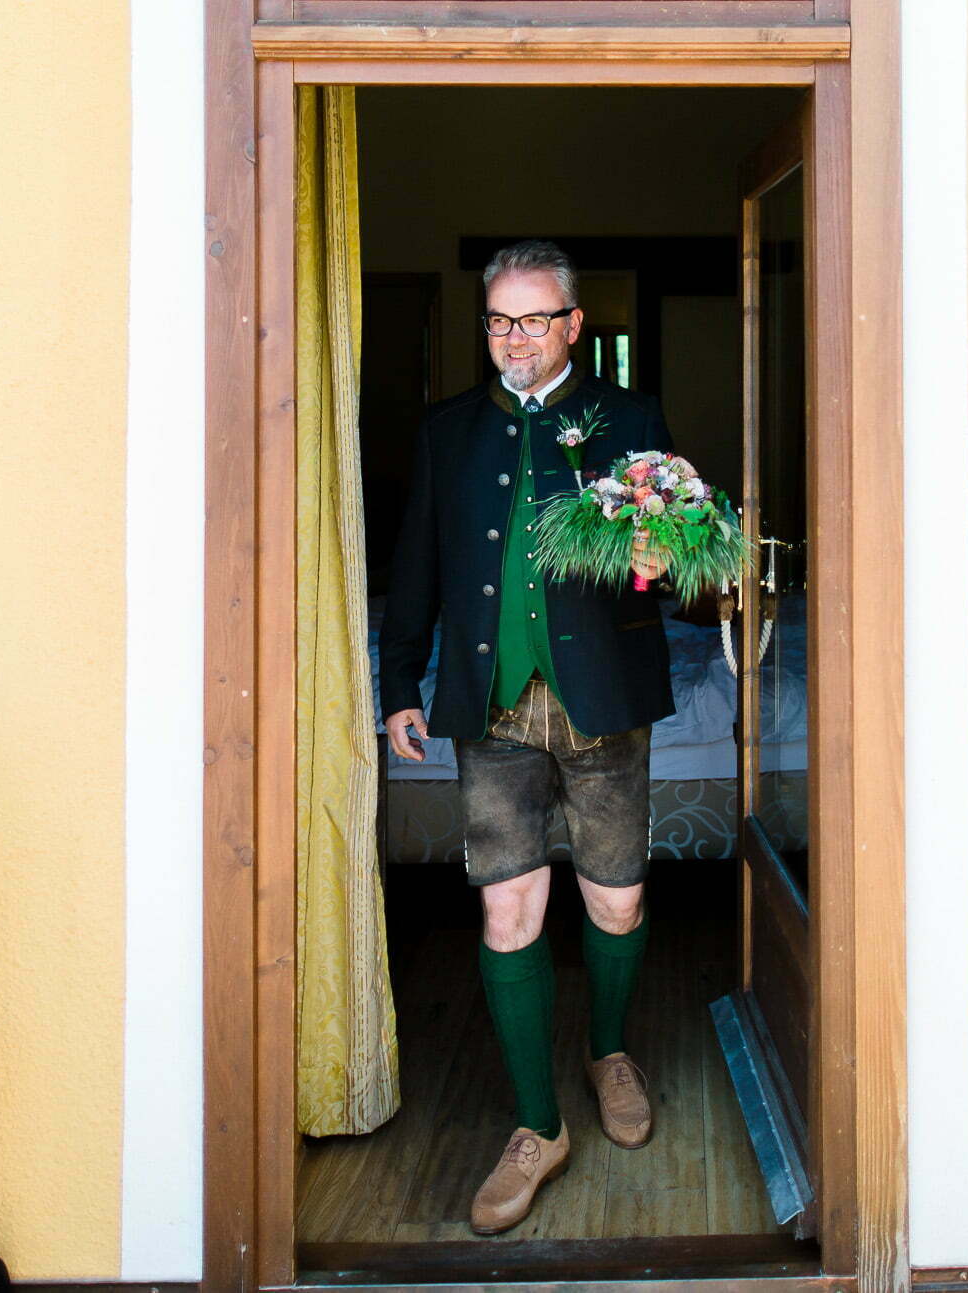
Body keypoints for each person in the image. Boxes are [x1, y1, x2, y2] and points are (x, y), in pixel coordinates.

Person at [379, 240, 676, 1236]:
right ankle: (536, 1126)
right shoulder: (446, 432)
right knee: (507, 912)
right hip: (490, 705)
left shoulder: (629, 421)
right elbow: (415, 563)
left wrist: (658, 556)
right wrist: (398, 680)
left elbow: (670, 569)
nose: (514, 340)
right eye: (499, 321)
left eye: (534, 320)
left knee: (618, 900)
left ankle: (606, 1050)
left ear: (572, 327)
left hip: (602, 699)